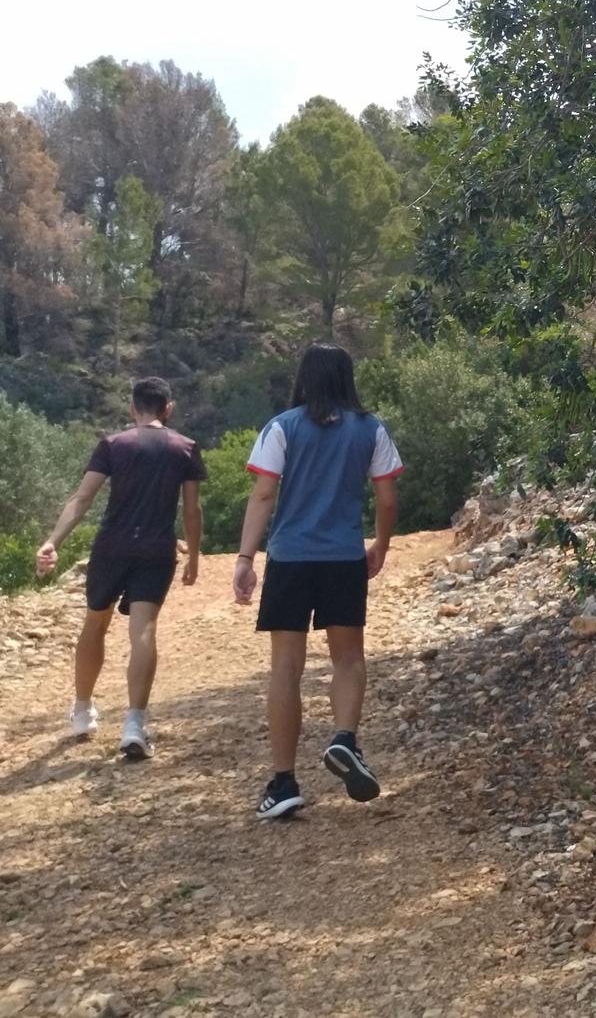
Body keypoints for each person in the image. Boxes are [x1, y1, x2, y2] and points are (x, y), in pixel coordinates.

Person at [233, 343, 402, 821]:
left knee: (286, 669)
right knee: (348, 658)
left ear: (304, 378)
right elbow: (387, 499)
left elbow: (264, 494)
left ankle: (283, 782)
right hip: (343, 559)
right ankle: (345, 739)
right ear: (348, 378)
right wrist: (381, 546)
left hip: (290, 560)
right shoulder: (371, 429)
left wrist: (246, 557)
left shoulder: (281, 427)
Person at [37, 377, 205, 761]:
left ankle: (82, 711)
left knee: (95, 622)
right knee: (142, 628)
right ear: (168, 408)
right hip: (156, 550)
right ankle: (134, 724)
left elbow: (82, 499)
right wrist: (194, 556)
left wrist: (52, 542)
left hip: (111, 547)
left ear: (133, 408)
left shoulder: (114, 445)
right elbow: (192, 510)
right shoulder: (185, 448)